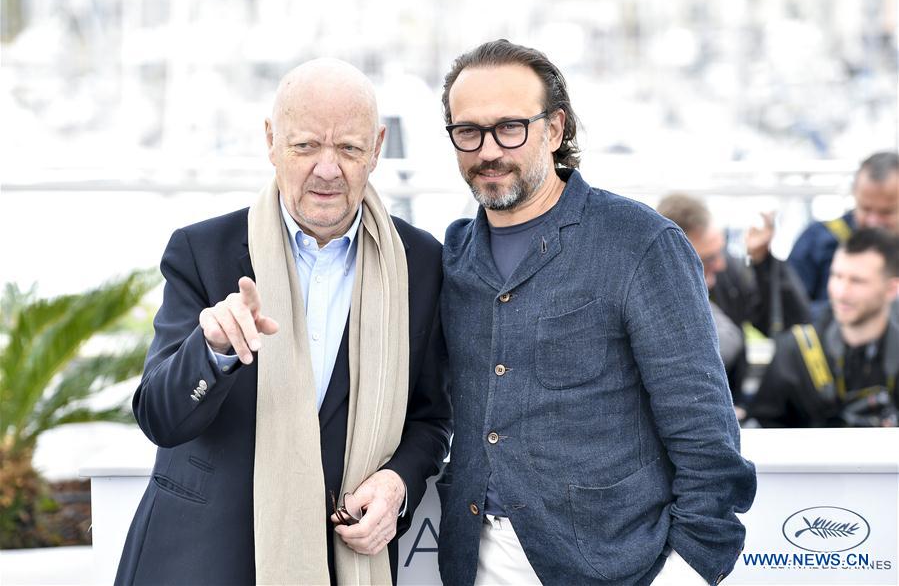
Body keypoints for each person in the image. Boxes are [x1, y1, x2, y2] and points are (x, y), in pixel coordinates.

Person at [115, 59, 451, 586]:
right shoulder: (201, 252)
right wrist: (213, 349)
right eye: (305, 145)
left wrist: (397, 483)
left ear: (379, 148)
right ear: (271, 141)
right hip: (198, 559)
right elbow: (160, 417)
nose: (327, 168)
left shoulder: (421, 264)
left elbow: (432, 419)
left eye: (349, 148)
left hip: (340, 561)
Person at [436, 39, 756, 586]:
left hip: (616, 569)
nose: (488, 149)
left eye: (510, 127)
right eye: (468, 131)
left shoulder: (641, 243)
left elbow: (706, 436)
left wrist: (687, 571)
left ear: (555, 129)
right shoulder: (453, 255)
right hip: (471, 563)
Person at [656, 193, 811, 410]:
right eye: (708, 259)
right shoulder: (646, 298)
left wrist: (763, 264)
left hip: (731, 406)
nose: (720, 264)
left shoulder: (726, 275)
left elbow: (794, 324)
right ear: (669, 258)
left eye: (721, 251)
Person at [751, 228, 899, 428]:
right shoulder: (795, 351)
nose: (841, 292)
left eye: (857, 281)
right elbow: (763, 431)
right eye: (836, 276)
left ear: (892, 289)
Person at [788, 151, 899, 318]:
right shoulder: (818, 240)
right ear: (854, 195)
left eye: (887, 212)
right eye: (866, 209)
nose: (873, 221)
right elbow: (789, 311)